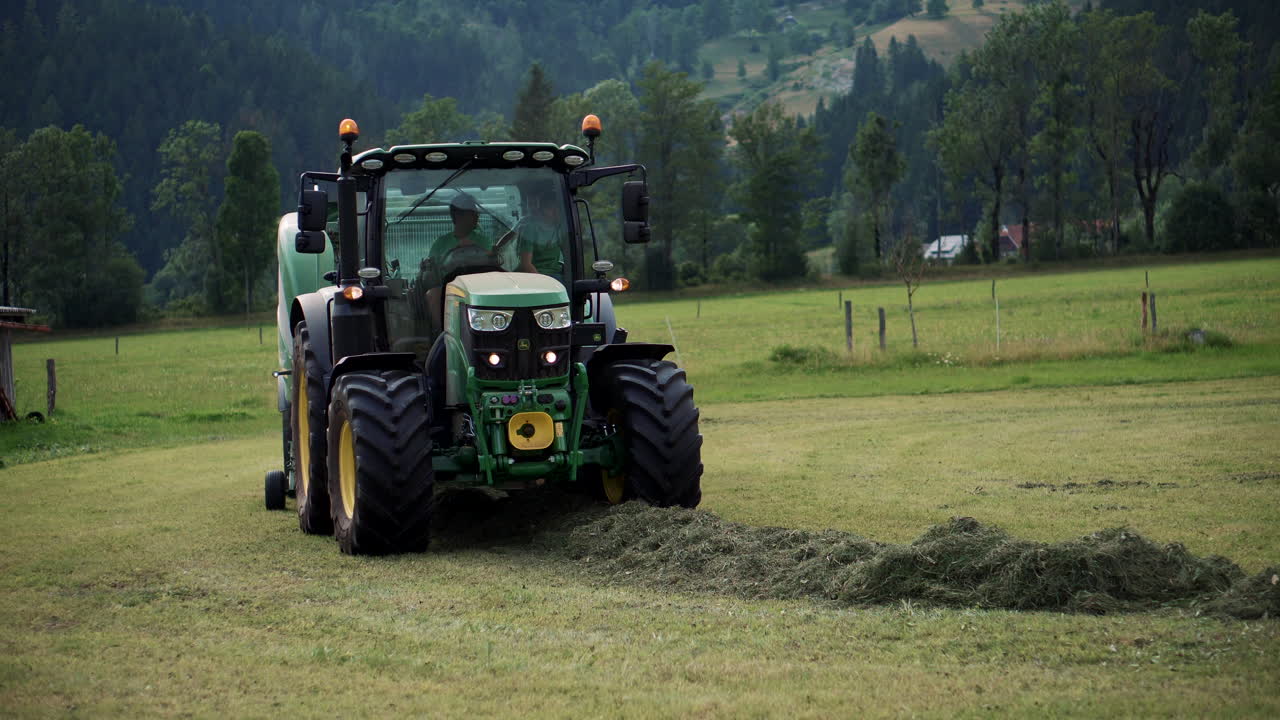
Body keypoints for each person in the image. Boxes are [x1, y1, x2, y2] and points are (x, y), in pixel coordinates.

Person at [422, 193, 498, 336]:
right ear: (457, 216)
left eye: (476, 213)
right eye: (472, 213)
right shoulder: (441, 243)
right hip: (448, 288)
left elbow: (491, 265)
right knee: (432, 295)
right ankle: (444, 336)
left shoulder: (484, 241)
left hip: (480, 288)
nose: (477, 216)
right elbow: (432, 272)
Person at [514, 183, 566, 277]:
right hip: (536, 276)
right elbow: (526, 264)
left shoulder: (559, 228)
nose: (557, 212)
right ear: (543, 209)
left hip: (555, 273)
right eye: (552, 208)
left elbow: (568, 254)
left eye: (559, 208)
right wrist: (543, 283)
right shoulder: (530, 229)